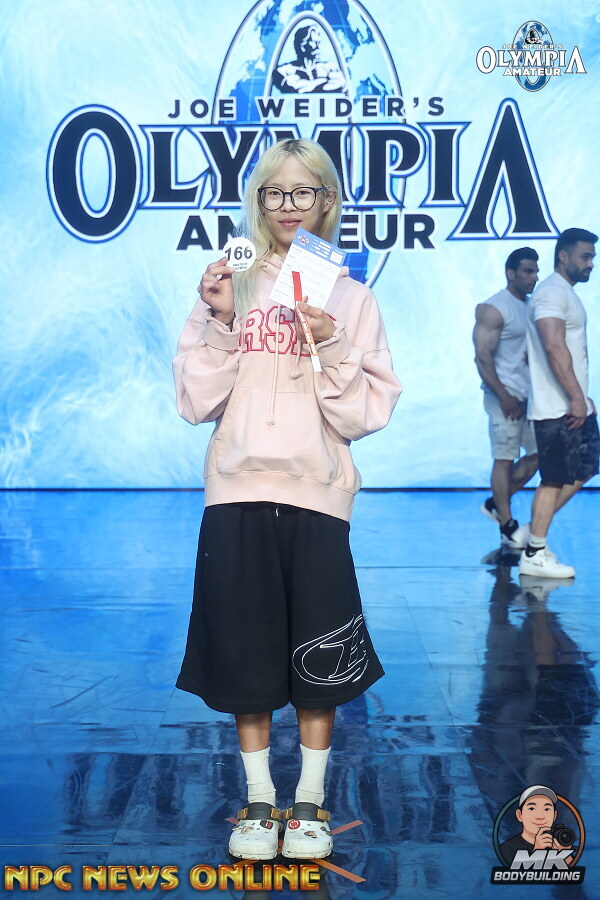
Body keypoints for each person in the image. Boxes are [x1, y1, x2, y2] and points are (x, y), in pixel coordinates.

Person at [172, 138, 401, 861]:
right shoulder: (229, 282)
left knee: (318, 658)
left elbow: (365, 413)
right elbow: (194, 401)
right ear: (259, 201)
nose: (289, 206)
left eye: (304, 192)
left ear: (327, 201)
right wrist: (219, 320)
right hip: (237, 488)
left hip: (316, 493)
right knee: (244, 654)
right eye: (275, 192)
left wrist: (330, 344)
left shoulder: (351, 297)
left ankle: (309, 801)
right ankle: (258, 800)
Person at [520, 227, 599, 578]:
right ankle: (534, 552)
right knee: (553, 480)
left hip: (571, 402)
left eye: (593, 257)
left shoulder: (563, 292)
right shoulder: (551, 292)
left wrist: (582, 396)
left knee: (584, 470)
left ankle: (533, 532)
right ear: (563, 256)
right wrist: (575, 397)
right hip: (558, 407)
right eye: (585, 256)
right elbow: (553, 346)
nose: (591, 263)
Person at [474, 248, 539, 549]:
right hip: (503, 397)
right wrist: (504, 396)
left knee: (538, 456)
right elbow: (482, 357)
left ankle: (495, 503)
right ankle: (506, 524)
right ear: (510, 273)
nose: (534, 277)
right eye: (527, 271)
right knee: (504, 458)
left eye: (535, 271)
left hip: (527, 397)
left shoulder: (529, 306)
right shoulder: (494, 308)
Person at [500, 785, 573, 867]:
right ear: (519, 815)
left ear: (554, 816)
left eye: (547, 809)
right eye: (532, 808)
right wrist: (537, 852)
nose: (540, 816)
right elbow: (513, 874)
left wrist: (565, 854)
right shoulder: (507, 849)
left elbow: (574, 873)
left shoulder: (560, 843)